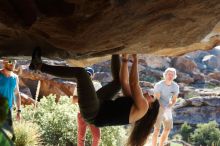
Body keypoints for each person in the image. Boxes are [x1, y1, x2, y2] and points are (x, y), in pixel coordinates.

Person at [29, 48, 160, 146]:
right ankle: (115, 49)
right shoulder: (137, 103)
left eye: (151, 97)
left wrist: (135, 60)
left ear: (151, 106)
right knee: (118, 83)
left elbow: (133, 83)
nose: (148, 93)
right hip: (101, 103)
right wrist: (124, 60)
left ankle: (38, 65)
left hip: (93, 113)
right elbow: (124, 82)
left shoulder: (143, 108)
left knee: (81, 73)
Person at [72, 67, 102, 146]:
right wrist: (86, 97)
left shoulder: (97, 85)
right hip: (82, 113)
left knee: (97, 136)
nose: (88, 76)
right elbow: (73, 100)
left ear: (93, 75)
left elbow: (102, 98)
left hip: (94, 114)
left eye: (89, 75)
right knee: (81, 136)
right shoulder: (79, 85)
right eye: (86, 74)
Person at [152, 68, 179, 146]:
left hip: (167, 107)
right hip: (158, 106)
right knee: (157, 129)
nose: (170, 76)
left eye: (172, 74)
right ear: (165, 75)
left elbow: (174, 100)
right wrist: (163, 108)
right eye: (169, 74)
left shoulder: (175, 86)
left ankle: (161, 144)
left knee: (167, 128)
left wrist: (169, 107)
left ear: (174, 76)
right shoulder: (159, 85)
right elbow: (157, 99)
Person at [0, 58, 22, 141]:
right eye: (10, 61)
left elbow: (17, 93)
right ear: (4, 62)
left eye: (14, 61)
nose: (13, 63)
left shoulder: (15, 77)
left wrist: (19, 111)